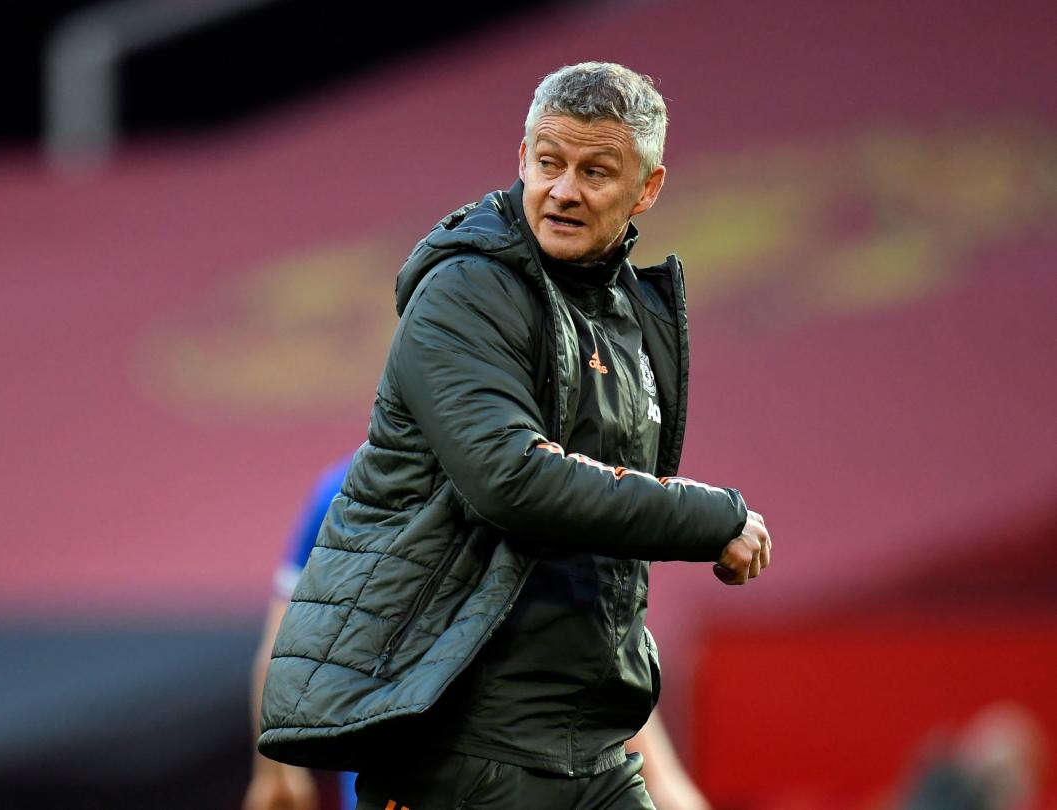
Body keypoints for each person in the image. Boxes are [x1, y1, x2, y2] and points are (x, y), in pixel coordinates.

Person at [258, 62, 771, 809]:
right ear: (521, 158)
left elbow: (603, 541)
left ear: (648, 189)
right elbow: (514, 480)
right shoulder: (466, 291)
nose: (563, 190)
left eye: (597, 171)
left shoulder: (630, 315)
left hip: (589, 741)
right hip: (462, 739)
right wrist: (709, 520)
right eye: (548, 162)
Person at [246, 456, 713, 810]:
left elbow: (282, 650)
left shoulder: (349, 489)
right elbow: (623, 709)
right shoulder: (557, 493)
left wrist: (276, 775)